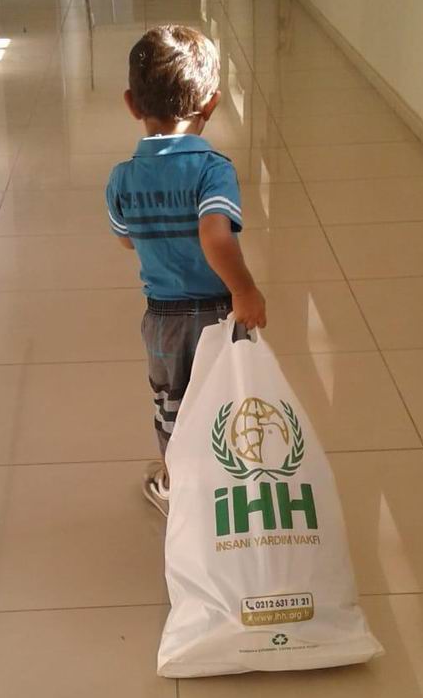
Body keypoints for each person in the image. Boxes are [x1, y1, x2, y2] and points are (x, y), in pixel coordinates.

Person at [105, 25, 267, 517]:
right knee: (228, 399)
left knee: (172, 404)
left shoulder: (122, 179)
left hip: (163, 320)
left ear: (131, 104)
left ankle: (178, 489)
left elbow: (126, 238)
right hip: (220, 312)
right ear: (211, 104)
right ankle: (232, 490)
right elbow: (216, 235)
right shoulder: (213, 169)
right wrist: (246, 290)